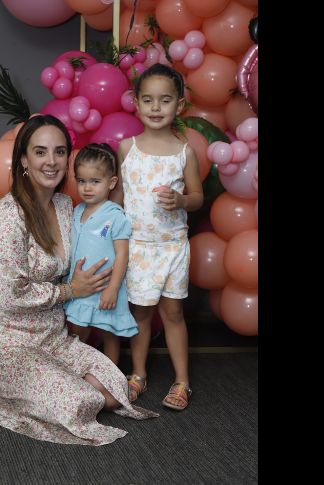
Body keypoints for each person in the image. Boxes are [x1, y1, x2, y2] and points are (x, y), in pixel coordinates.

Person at [0, 114, 158, 446]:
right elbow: (12, 294)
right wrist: (71, 290)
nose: (51, 161)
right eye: (40, 152)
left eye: (59, 152)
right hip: (10, 343)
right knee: (84, 401)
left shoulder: (65, 205)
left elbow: (103, 235)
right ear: (24, 159)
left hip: (55, 338)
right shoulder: (9, 213)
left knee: (114, 389)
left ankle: (47, 385)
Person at [111, 64, 204, 411]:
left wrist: (181, 201)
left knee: (173, 312)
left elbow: (198, 197)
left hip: (172, 247)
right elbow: (118, 198)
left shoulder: (185, 152)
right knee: (141, 313)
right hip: (137, 247)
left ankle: (182, 381)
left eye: (164, 100)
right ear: (135, 103)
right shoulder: (127, 148)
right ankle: (138, 373)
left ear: (179, 105)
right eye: (148, 99)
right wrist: (106, 233)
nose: (155, 107)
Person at [64, 144, 137, 365]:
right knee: (78, 332)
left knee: (109, 333)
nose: (87, 188)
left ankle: (110, 375)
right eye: (81, 181)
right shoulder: (76, 211)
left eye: (95, 181)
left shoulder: (115, 216)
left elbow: (122, 254)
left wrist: (113, 289)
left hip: (106, 288)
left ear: (111, 183)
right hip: (81, 287)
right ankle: (77, 371)